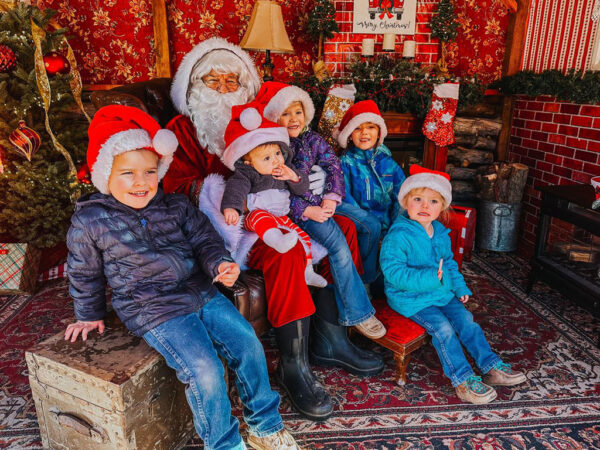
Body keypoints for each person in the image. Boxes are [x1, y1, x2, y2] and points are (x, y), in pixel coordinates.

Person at [163, 39, 383, 420]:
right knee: (286, 250)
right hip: (229, 229)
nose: (224, 89)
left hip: (279, 207)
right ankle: (294, 365)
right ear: (194, 86)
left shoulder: (259, 117)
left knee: (343, 226)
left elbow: (289, 155)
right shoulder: (181, 130)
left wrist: (309, 179)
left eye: (233, 80)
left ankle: (331, 339)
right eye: (213, 81)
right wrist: (219, 194)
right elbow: (171, 189)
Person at [64, 105, 300, 450]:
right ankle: (224, 444)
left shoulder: (175, 206)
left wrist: (219, 263)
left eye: (149, 171)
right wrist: (88, 314)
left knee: (247, 342)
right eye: (127, 173)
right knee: (204, 368)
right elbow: (83, 271)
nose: (141, 182)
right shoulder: (91, 220)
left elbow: (205, 239)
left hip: (200, 291)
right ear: (104, 175)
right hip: (153, 307)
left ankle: (265, 426)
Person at [380, 165, 527, 405]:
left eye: (433, 201)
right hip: (410, 299)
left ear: (442, 207)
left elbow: (448, 263)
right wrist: (430, 277)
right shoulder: (398, 235)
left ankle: (490, 367)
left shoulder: (438, 231)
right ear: (406, 202)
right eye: (418, 199)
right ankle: (462, 381)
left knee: (466, 321)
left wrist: (459, 287)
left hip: (441, 292)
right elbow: (393, 272)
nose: (425, 206)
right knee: (444, 330)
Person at [257, 82, 386, 342]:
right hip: (293, 213)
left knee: (366, 225)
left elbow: (332, 165)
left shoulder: (313, 139)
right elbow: (275, 192)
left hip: (321, 202)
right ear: (274, 116)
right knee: (337, 243)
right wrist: (308, 211)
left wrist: (331, 196)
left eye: (297, 112)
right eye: (285, 113)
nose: (293, 119)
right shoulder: (273, 148)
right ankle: (358, 313)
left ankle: (363, 286)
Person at [220, 105, 326, 287]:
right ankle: (276, 240)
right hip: (255, 217)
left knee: (302, 237)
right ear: (249, 163)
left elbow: (302, 189)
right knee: (260, 217)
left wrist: (293, 177)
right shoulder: (247, 174)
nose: (276, 160)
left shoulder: (285, 169)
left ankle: (307, 271)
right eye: (267, 158)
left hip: (280, 217)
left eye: (277, 153)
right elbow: (235, 190)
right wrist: (232, 208)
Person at [335, 100, 406, 290]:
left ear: (379, 132)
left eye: (370, 127)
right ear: (350, 135)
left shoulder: (389, 163)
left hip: (387, 225)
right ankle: (364, 283)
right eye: (357, 128)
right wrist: (365, 220)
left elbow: (401, 196)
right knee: (370, 232)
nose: (365, 133)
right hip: (363, 224)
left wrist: (396, 225)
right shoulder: (346, 163)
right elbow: (345, 195)